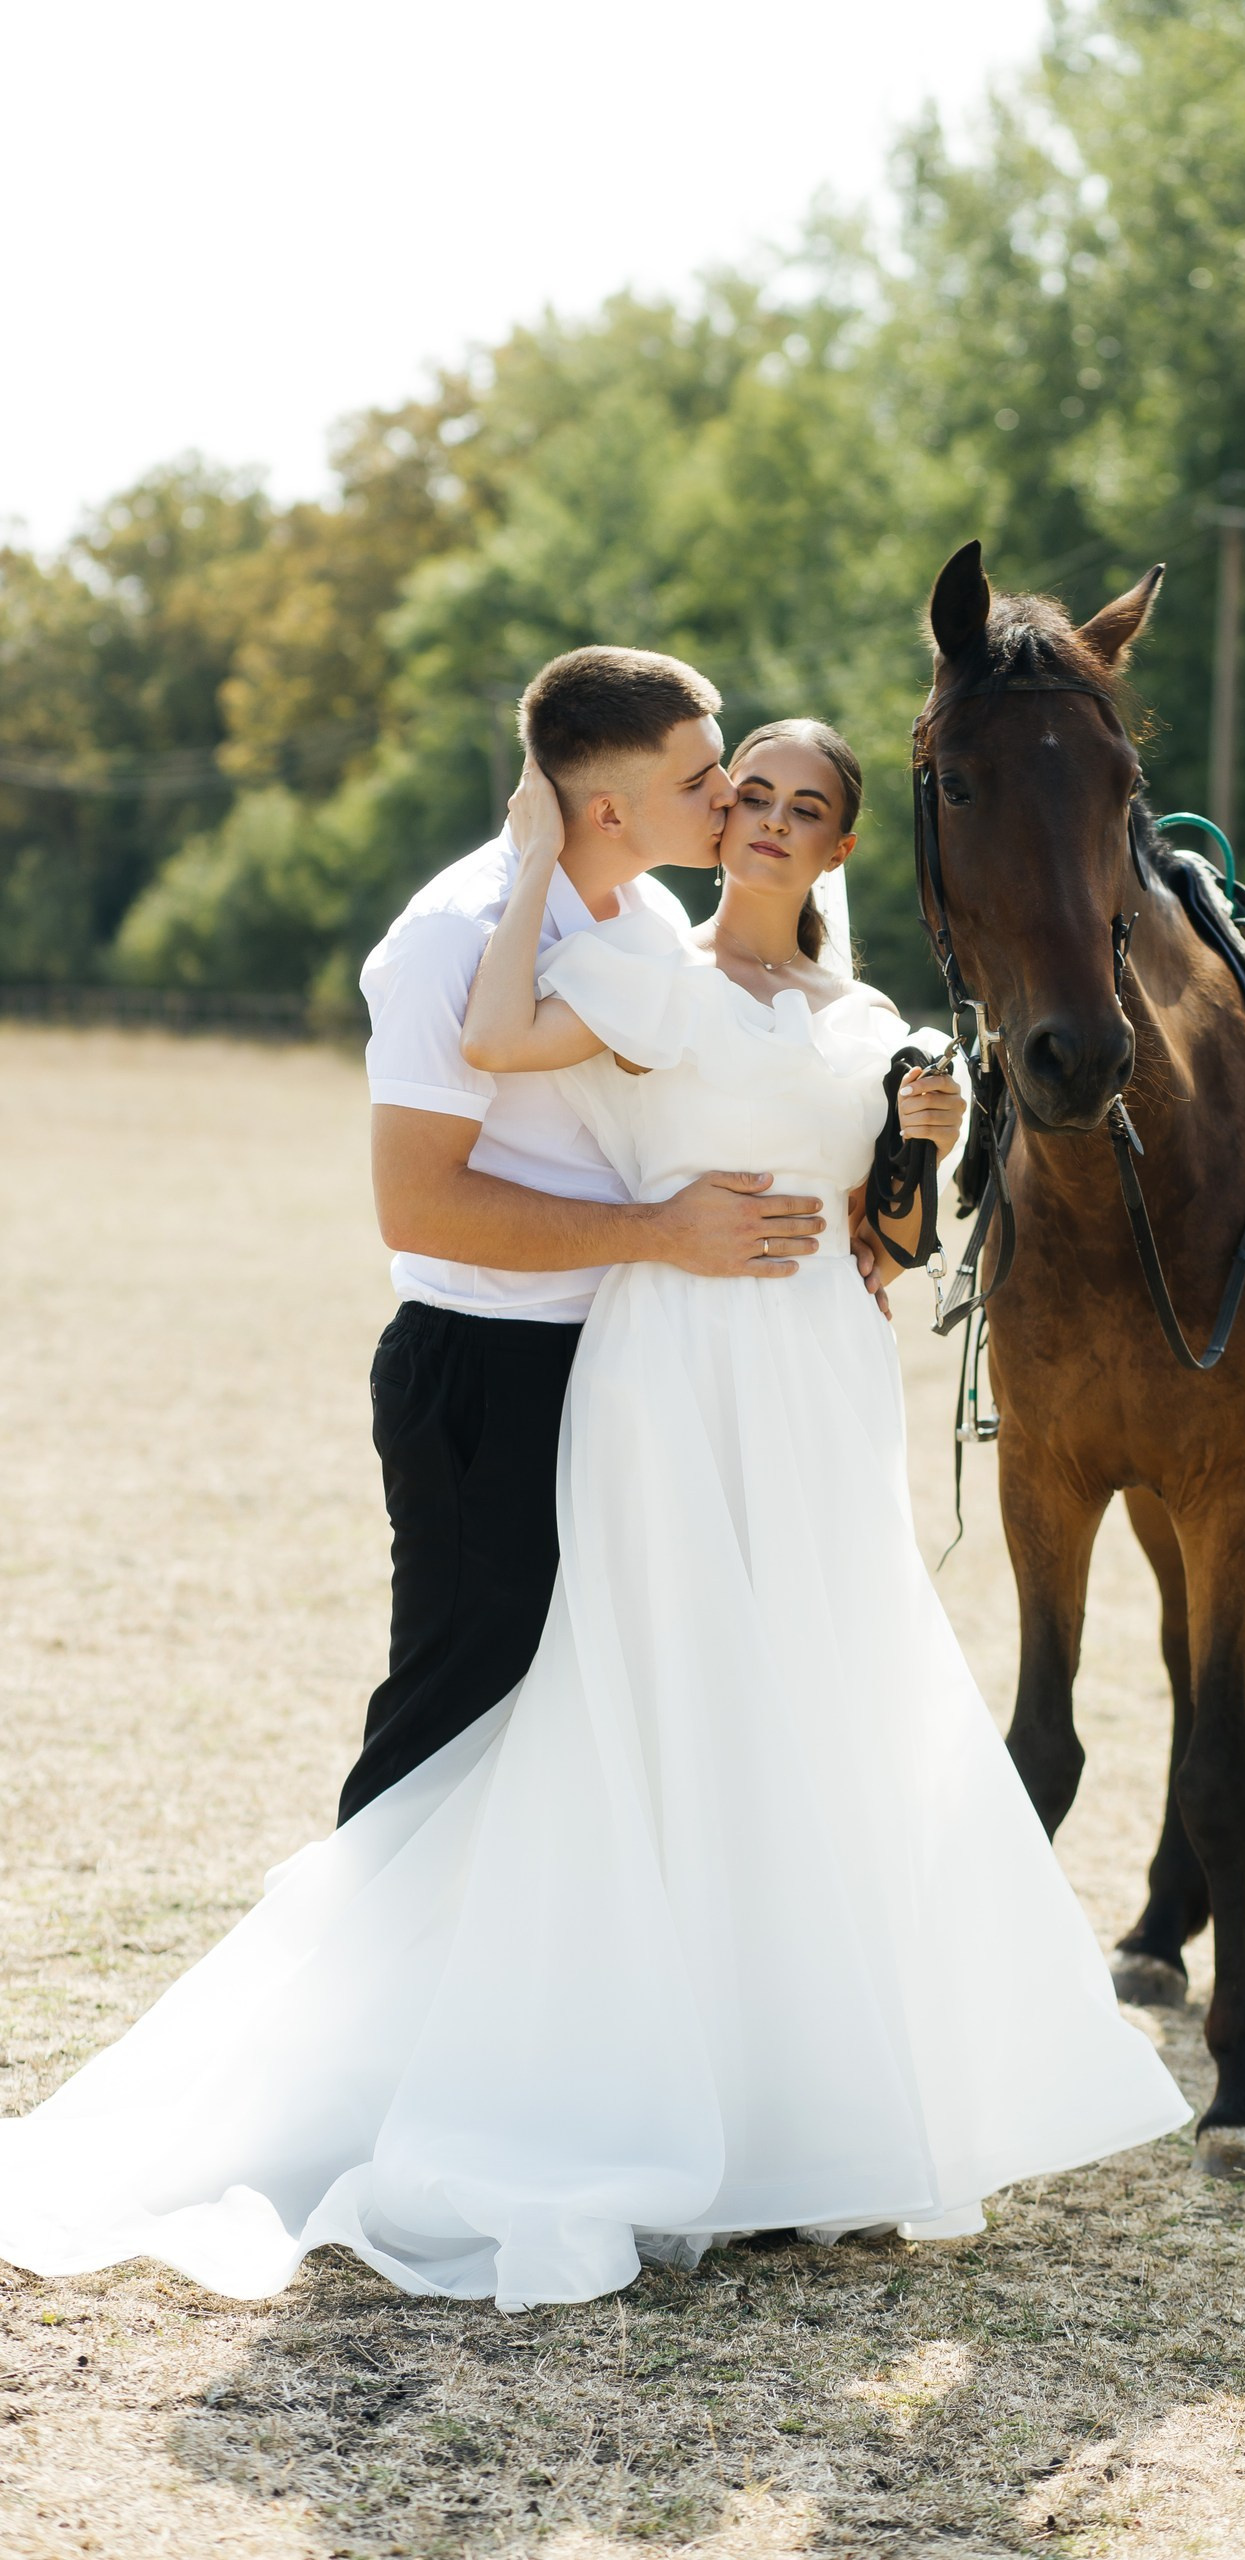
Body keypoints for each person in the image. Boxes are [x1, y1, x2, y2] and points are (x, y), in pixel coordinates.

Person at [0, 712, 1188, 2311]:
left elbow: (887, 1251)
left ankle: (805, 2113)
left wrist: (914, 1152)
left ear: (840, 844)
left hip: (818, 1390)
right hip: (668, 1367)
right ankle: (605, 2087)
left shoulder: (873, 1023)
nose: (761, 819)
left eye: (797, 806)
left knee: (811, 1712)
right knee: (662, 1699)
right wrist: (540, 858)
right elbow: (495, 1044)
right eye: (744, 793)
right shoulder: (644, 970)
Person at [339, 646, 837, 1822]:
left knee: (594, 1731)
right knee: (455, 1716)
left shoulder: (654, 909)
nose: (731, 797)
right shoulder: (450, 940)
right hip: (487, 1368)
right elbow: (418, 1207)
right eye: (705, 778)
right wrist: (660, 1233)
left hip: (629, 1367)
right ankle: (364, 1988)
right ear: (609, 807)